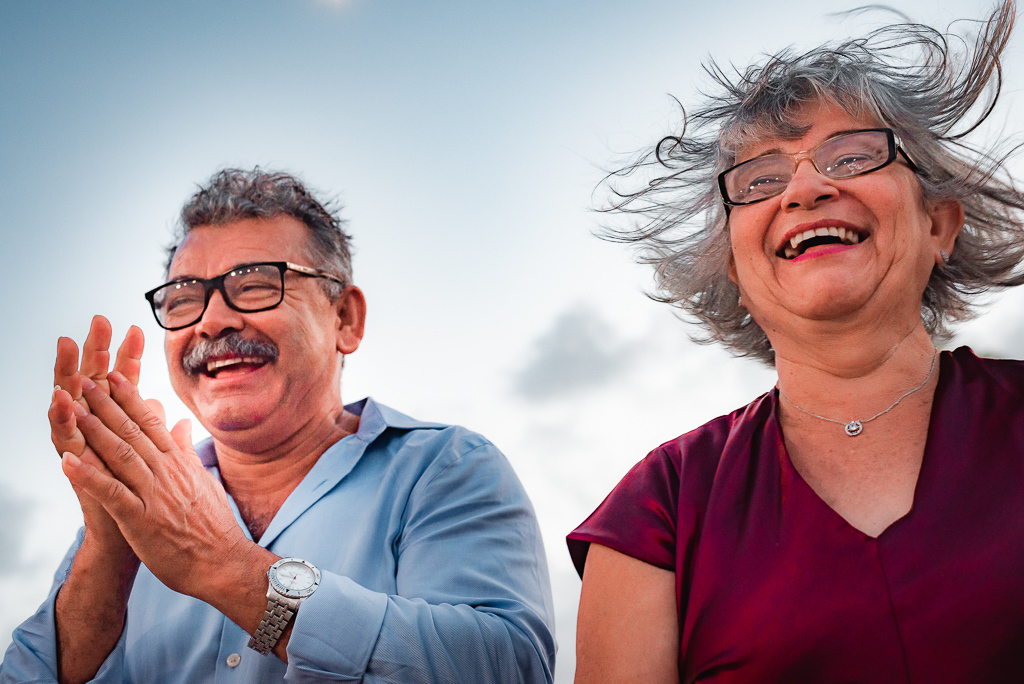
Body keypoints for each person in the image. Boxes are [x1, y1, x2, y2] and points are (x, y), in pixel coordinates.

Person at [568, 2, 1024, 682]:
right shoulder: (658, 508)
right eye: (760, 180)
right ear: (734, 267)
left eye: (854, 155)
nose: (806, 189)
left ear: (940, 225)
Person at [1, 169, 556, 684]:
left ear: (345, 318)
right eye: (185, 298)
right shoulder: (141, 500)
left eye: (255, 285)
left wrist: (227, 567)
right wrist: (108, 550)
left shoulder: (445, 468)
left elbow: (509, 667)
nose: (212, 321)